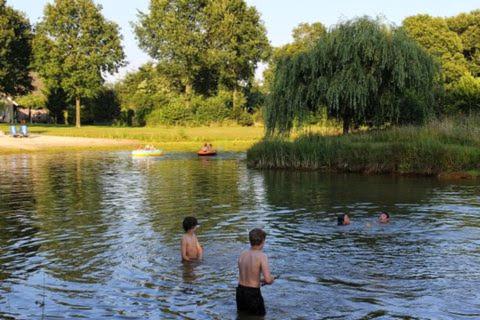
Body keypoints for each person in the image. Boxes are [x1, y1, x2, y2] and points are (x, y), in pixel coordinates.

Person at [236, 228, 274, 316]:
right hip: (253, 294)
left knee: (242, 315)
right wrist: (271, 279)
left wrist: (260, 280)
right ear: (263, 241)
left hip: (240, 292)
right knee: (259, 317)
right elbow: (268, 280)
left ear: (250, 240)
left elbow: (246, 275)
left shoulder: (242, 254)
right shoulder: (262, 256)